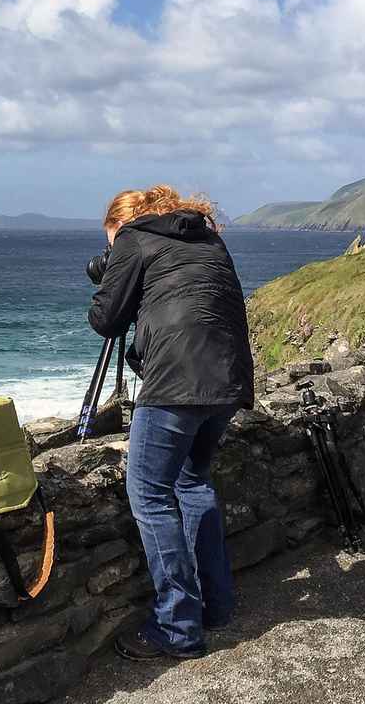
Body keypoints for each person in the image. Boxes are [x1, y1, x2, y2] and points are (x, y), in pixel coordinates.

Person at [87, 185, 254, 662]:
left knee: (149, 494)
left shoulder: (134, 240)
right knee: (192, 482)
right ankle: (217, 605)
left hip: (177, 380)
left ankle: (177, 627)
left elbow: (105, 319)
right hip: (228, 377)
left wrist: (109, 274)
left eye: (110, 239)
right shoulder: (207, 239)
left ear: (120, 226)